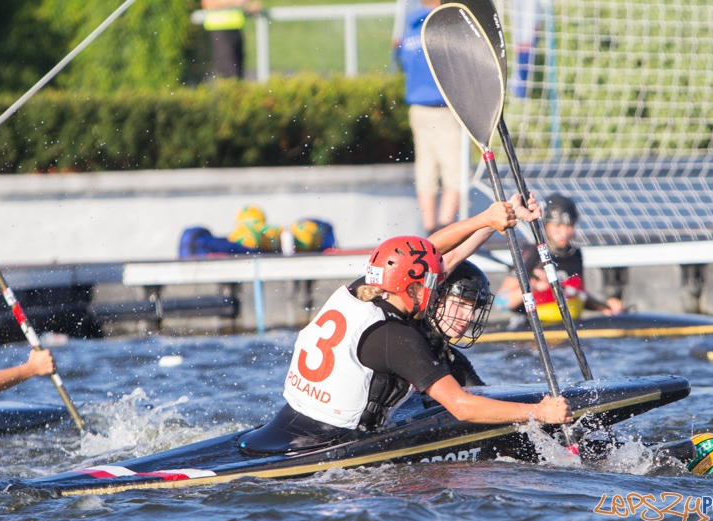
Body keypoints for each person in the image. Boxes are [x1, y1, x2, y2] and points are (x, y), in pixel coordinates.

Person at [238, 233, 571, 455]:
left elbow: (422, 252)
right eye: (432, 285)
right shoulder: (399, 337)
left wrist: (489, 221)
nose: (435, 291)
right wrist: (539, 412)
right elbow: (463, 407)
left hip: (281, 426)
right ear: (413, 289)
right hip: (324, 443)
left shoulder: (361, 291)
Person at [495, 193, 625, 326]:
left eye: (569, 225)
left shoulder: (575, 255)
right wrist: (532, 286)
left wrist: (605, 307)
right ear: (546, 225)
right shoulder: (533, 254)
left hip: (570, 327)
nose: (564, 232)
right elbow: (500, 303)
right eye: (557, 226)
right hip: (536, 328)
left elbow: (578, 296)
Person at [398, 0, 463, 234]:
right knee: (457, 172)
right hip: (442, 109)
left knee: (426, 169)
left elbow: (403, 63)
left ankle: (429, 229)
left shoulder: (410, 32)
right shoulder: (443, 30)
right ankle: (445, 229)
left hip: (418, 109)